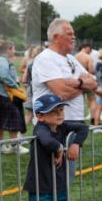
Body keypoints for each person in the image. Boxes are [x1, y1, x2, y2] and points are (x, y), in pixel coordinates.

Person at [25, 95, 89, 201]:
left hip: (58, 186)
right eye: (53, 111)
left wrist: (76, 144)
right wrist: (60, 149)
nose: (59, 114)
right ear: (40, 116)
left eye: (60, 110)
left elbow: (83, 128)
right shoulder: (40, 128)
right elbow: (46, 140)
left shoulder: (63, 126)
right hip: (40, 188)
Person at [31, 19, 97, 174]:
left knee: (66, 181)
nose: (74, 37)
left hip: (73, 125)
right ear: (55, 37)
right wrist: (82, 83)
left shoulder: (70, 58)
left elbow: (93, 83)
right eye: (69, 34)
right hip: (52, 128)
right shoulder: (45, 58)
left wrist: (73, 83)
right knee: (51, 182)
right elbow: (61, 93)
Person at [0, 40, 28, 155]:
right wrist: (15, 85)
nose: (14, 51)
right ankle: (14, 146)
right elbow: (3, 76)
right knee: (13, 119)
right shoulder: (1, 60)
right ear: (8, 49)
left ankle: (1, 147)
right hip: (2, 93)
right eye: (13, 48)